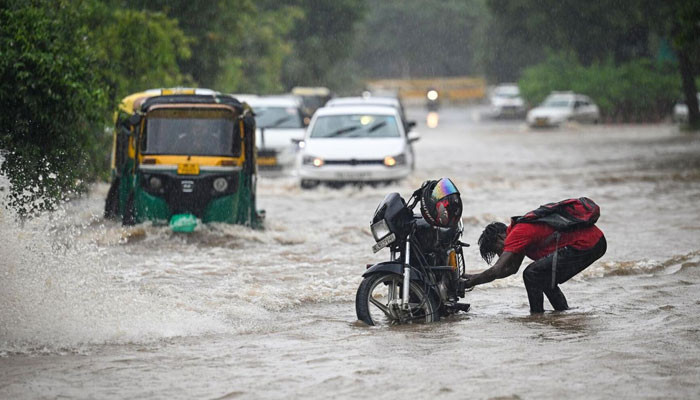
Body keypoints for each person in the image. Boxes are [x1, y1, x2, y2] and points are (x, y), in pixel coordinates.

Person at [463, 215, 606, 313]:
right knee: (541, 275)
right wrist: (472, 277)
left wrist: (470, 283)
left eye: (498, 250)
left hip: (588, 243)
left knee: (532, 274)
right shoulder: (518, 233)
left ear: (501, 237)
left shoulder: (516, 234)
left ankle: (537, 315)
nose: (501, 254)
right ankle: (562, 312)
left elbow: (496, 270)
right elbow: (511, 269)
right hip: (595, 242)